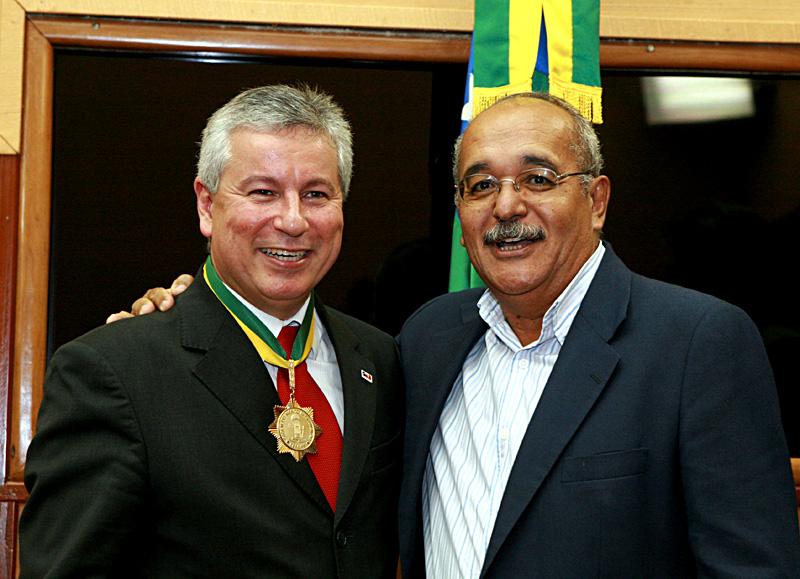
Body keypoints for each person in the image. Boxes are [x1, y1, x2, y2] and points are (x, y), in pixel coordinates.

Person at [108, 92, 800, 577]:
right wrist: (174, 326)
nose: (507, 206)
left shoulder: (698, 343)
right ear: (461, 215)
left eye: (538, 178)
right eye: (479, 185)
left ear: (596, 200)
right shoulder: (426, 341)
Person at [20, 85, 403, 578]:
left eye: (316, 194)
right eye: (263, 192)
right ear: (206, 205)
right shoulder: (114, 372)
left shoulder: (380, 359)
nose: (293, 220)